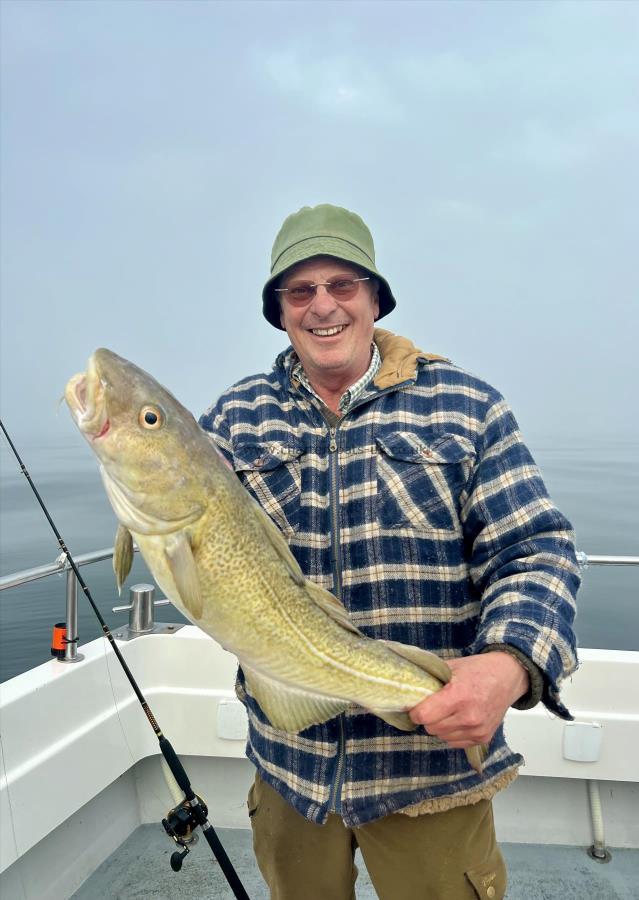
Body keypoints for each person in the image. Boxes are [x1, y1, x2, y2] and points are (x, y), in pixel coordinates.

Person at [200, 204, 579, 899]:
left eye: (342, 285)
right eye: (299, 291)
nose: (322, 306)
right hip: (291, 768)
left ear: (375, 297)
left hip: (428, 767)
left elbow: (536, 549)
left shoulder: (467, 407)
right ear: (278, 311)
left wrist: (507, 664)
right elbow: (195, 540)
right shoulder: (232, 418)